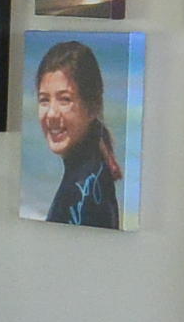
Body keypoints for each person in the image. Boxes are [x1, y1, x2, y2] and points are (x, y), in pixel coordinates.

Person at [34, 39, 122, 228]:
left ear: (92, 107)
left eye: (64, 100)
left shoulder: (82, 188)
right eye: (44, 100)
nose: (51, 114)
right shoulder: (93, 174)